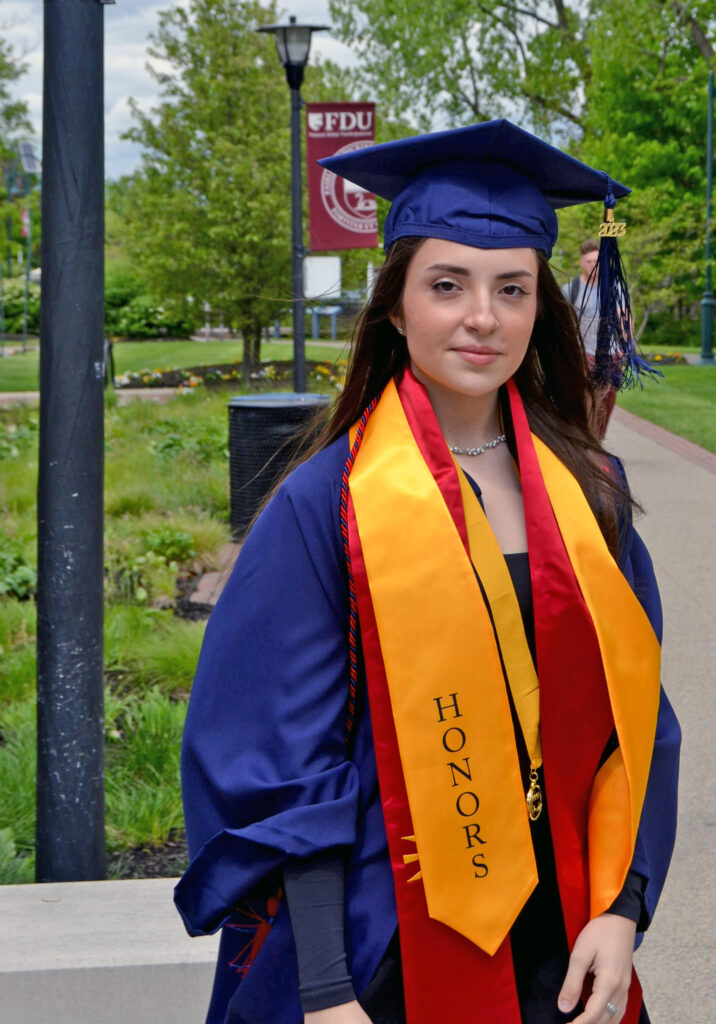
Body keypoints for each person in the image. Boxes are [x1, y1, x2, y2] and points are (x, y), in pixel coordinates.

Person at [175, 119, 680, 1024]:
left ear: (540, 309)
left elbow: (635, 725)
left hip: (562, 940)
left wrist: (625, 907)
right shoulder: (325, 505)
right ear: (397, 306)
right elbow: (284, 765)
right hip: (382, 950)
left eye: (511, 288)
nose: (481, 316)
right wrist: (325, 988)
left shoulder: (591, 490)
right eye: (447, 285)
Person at [561, 240, 616, 441]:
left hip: (609, 354)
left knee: (606, 403)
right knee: (587, 399)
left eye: (598, 261)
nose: (594, 265)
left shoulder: (612, 289)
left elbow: (624, 318)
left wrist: (625, 348)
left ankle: (596, 442)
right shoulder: (570, 290)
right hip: (582, 353)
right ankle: (584, 440)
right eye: (590, 261)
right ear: (581, 263)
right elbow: (561, 323)